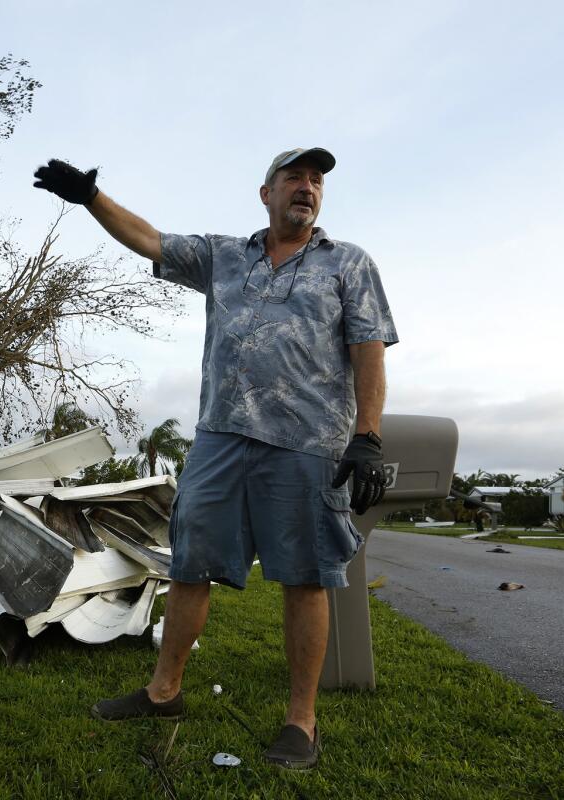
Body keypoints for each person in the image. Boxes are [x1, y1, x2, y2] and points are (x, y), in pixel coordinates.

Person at [33, 148, 398, 770]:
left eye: (316, 181)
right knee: (191, 565)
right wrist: (92, 199)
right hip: (220, 439)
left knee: (305, 576)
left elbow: (368, 351)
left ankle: (301, 722)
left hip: (308, 444)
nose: (306, 188)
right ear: (266, 193)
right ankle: (163, 692)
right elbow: (149, 239)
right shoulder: (225, 256)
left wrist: (367, 436)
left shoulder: (348, 264)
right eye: (294, 178)